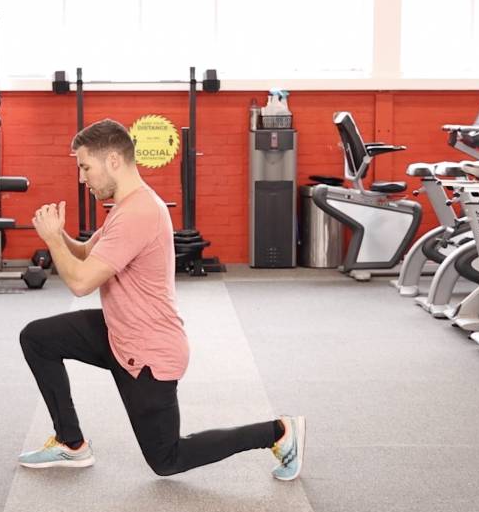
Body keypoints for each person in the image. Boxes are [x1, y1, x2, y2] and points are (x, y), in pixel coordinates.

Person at [19, 118, 305, 480]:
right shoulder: (126, 206)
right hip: (118, 331)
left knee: (167, 459)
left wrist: (52, 240)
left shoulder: (138, 213)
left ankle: (278, 432)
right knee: (38, 338)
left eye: (85, 167)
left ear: (113, 161)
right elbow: (86, 255)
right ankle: (70, 443)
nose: (82, 177)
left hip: (148, 352)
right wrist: (58, 234)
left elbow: (80, 282)